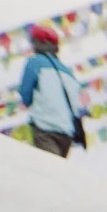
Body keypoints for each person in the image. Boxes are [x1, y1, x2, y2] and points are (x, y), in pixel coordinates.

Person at [18, 26, 85, 158]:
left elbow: (25, 93)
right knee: (57, 170)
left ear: (38, 43)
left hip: (44, 127)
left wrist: (28, 102)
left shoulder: (34, 62)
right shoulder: (67, 71)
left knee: (49, 172)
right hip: (66, 131)